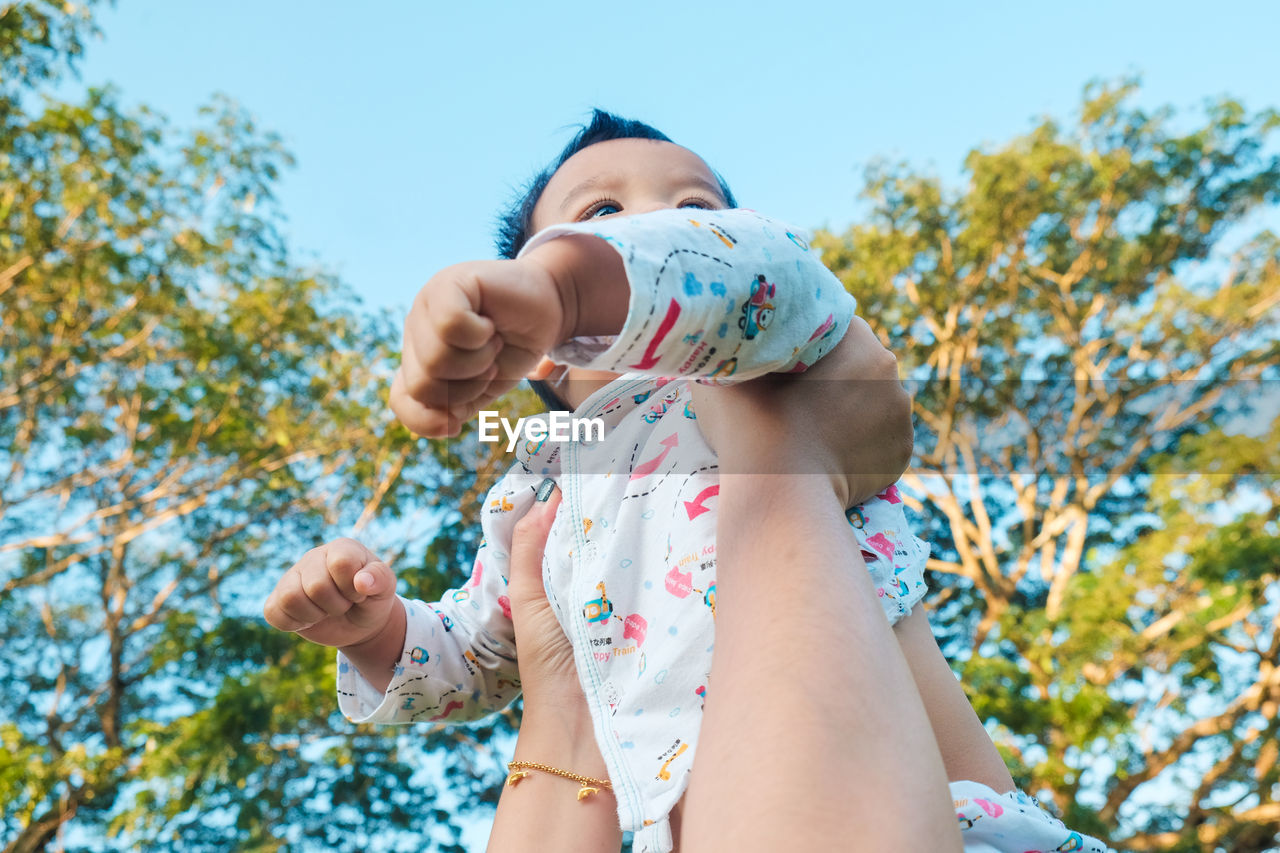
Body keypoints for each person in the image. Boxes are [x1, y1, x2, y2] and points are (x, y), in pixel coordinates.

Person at [263, 111, 1110, 852]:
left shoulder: (771, 368)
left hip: (935, 812)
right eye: (603, 210)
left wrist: (568, 278)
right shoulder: (544, 491)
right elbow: (480, 655)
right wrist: (373, 629)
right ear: (544, 354)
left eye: (699, 207)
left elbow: (765, 274)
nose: (662, 223)